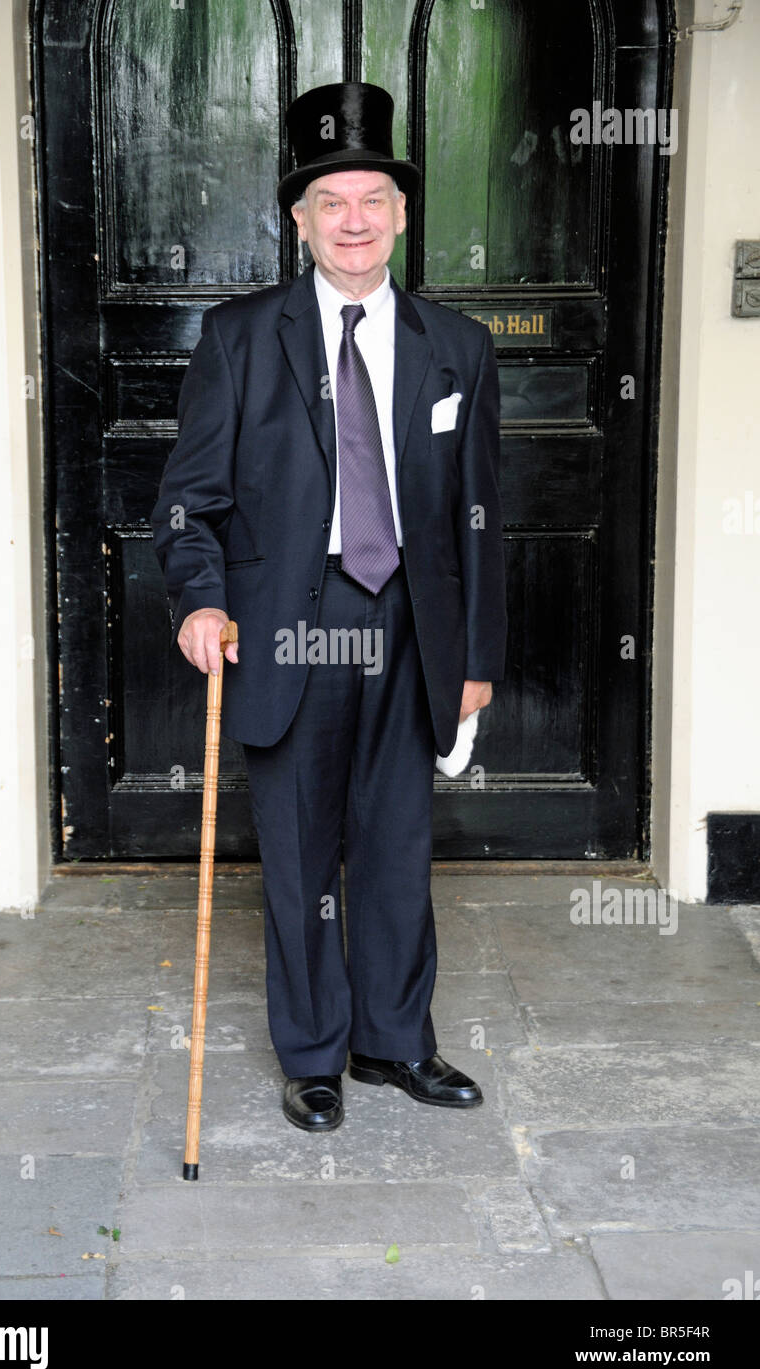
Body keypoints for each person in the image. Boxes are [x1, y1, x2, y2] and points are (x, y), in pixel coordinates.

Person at [151, 82, 507, 1133]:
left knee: (396, 845)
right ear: (298, 220)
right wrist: (200, 603)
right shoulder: (238, 340)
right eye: (329, 203)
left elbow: (482, 517)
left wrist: (476, 651)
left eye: (372, 200)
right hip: (287, 625)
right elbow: (187, 503)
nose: (353, 220)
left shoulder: (458, 348)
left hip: (409, 627)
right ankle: (311, 1052)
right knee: (302, 850)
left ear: (399, 213)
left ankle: (394, 1041)